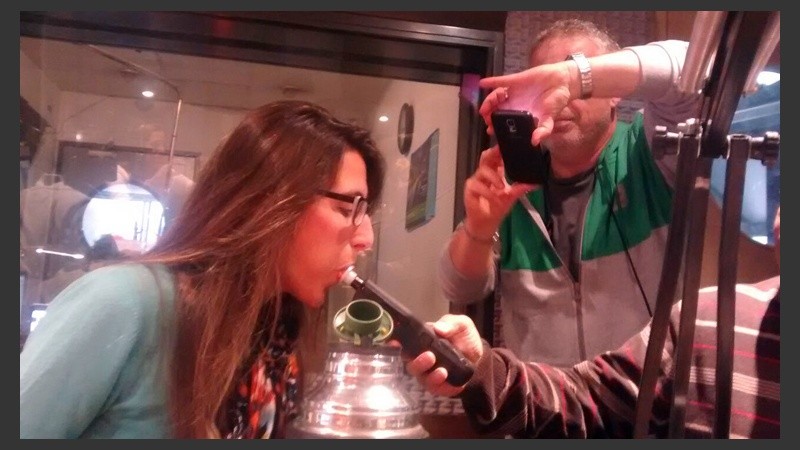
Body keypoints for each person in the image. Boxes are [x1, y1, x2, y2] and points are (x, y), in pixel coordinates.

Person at [19, 100, 386, 438]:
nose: (365, 239)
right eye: (348, 209)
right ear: (269, 199)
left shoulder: (274, 338)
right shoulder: (122, 302)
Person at [438, 19, 702, 366]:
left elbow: (695, 73)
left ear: (615, 92)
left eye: (571, 84)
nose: (558, 99)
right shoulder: (515, 182)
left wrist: (576, 77)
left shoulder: (651, 150)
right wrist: (478, 229)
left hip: (647, 395)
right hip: (544, 397)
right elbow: (459, 287)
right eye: (544, 85)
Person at [409, 207, 780, 438]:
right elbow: (591, 401)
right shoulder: (707, 319)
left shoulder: (645, 154)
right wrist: (482, 367)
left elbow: (677, 104)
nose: (778, 222)